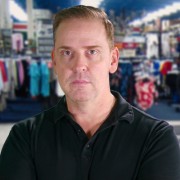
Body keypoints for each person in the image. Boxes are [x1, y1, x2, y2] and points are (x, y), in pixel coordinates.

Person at [0, 5, 180, 180]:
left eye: (92, 51)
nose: (79, 66)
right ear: (54, 61)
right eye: (67, 52)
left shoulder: (156, 139)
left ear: (113, 60)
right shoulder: (24, 137)